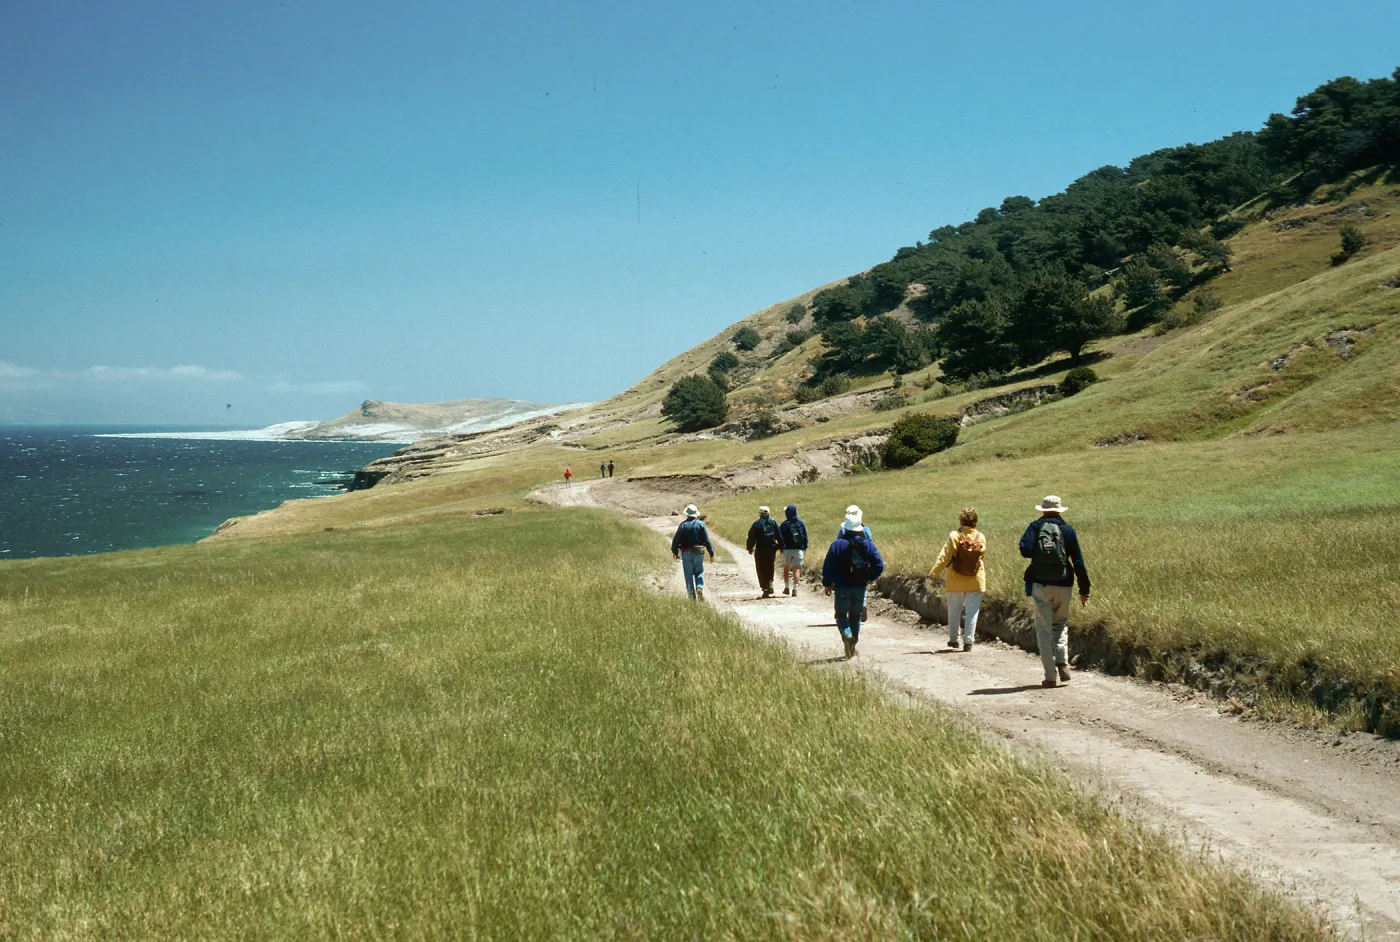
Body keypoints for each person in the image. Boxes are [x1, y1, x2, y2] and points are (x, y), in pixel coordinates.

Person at [1019, 495, 1091, 688]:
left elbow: (1024, 550)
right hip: (1064, 583)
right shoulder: (1067, 530)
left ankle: (1050, 676)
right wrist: (1085, 589)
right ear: (1060, 510)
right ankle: (1062, 661)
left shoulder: (1035, 526)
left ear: (1042, 510)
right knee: (1060, 624)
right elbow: (1078, 562)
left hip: (1041, 584)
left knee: (1044, 630)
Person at [821, 507, 884, 658]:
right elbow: (879, 565)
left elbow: (828, 565)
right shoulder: (867, 544)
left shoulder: (837, 544)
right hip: (860, 585)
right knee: (855, 617)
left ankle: (847, 635)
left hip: (842, 586)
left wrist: (827, 583)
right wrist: (869, 577)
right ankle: (852, 647)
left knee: (841, 615)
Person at [928, 506, 986, 651]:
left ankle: (954, 640)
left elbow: (944, 557)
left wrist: (934, 574)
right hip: (976, 578)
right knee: (972, 611)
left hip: (956, 578)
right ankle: (968, 642)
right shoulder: (981, 537)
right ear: (975, 521)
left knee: (954, 609)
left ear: (961, 520)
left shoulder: (954, 536)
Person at [835, 505, 874, 620]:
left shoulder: (843, 530)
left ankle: (842, 609)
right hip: (862, 563)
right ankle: (862, 604)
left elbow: (838, 545)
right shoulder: (866, 530)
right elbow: (870, 546)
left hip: (846, 563)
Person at [671, 504, 716, 601]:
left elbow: (676, 540)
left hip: (686, 552)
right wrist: (711, 553)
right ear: (696, 514)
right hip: (699, 552)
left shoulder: (682, 525)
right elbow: (707, 540)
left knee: (688, 576)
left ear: (687, 515)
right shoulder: (701, 524)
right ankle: (699, 587)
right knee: (699, 572)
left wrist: (674, 551)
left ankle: (692, 599)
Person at [745, 505, 782, 598]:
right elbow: (779, 536)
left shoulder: (756, 524)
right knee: (770, 566)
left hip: (760, 550)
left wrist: (749, 547)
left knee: (761, 569)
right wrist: (780, 546)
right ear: (768, 513)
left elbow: (751, 537)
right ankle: (770, 582)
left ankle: (765, 588)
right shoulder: (773, 523)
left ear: (760, 514)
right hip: (771, 550)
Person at [778, 504, 809, 596]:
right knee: (796, 570)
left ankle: (786, 588)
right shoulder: (801, 524)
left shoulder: (784, 524)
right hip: (798, 549)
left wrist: (781, 548)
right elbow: (805, 537)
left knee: (786, 569)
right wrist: (804, 548)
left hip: (786, 550)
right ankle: (795, 590)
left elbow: (780, 537)